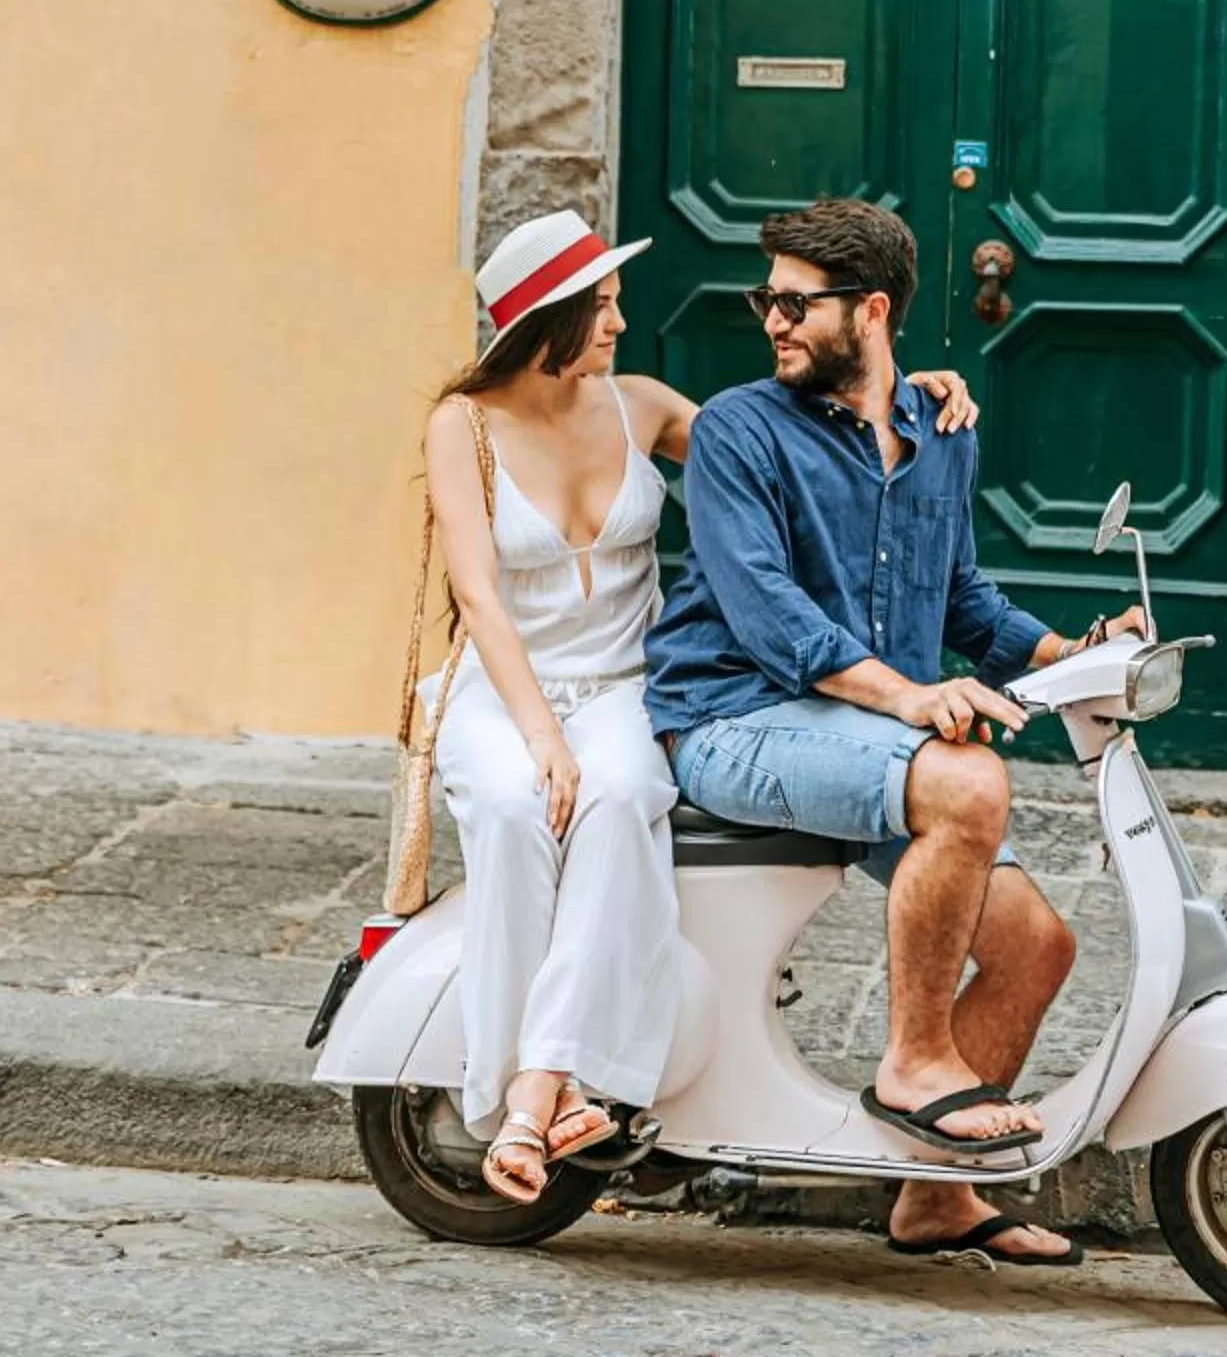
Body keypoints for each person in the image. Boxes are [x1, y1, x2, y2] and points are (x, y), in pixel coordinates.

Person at [427, 208, 979, 1204]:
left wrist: (911, 392)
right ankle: (509, 1084)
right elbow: (477, 599)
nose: (620, 321)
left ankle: (550, 1089)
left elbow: (787, 433)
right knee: (514, 810)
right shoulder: (462, 427)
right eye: (601, 305)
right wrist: (541, 738)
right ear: (543, 319)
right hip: (508, 687)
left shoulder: (637, 404)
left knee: (621, 799)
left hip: (624, 685)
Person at [641, 199, 1141, 1267]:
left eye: (792, 301)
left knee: (1038, 946)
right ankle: (916, 1060)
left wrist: (1073, 651)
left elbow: (961, 599)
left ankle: (935, 1198)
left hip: (857, 732)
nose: (770, 319)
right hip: (734, 717)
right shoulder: (739, 428)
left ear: (869, 310)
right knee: (966, 782)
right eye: (762, 298)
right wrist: (912, 699)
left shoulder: (936, 432)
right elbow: (768, 610)